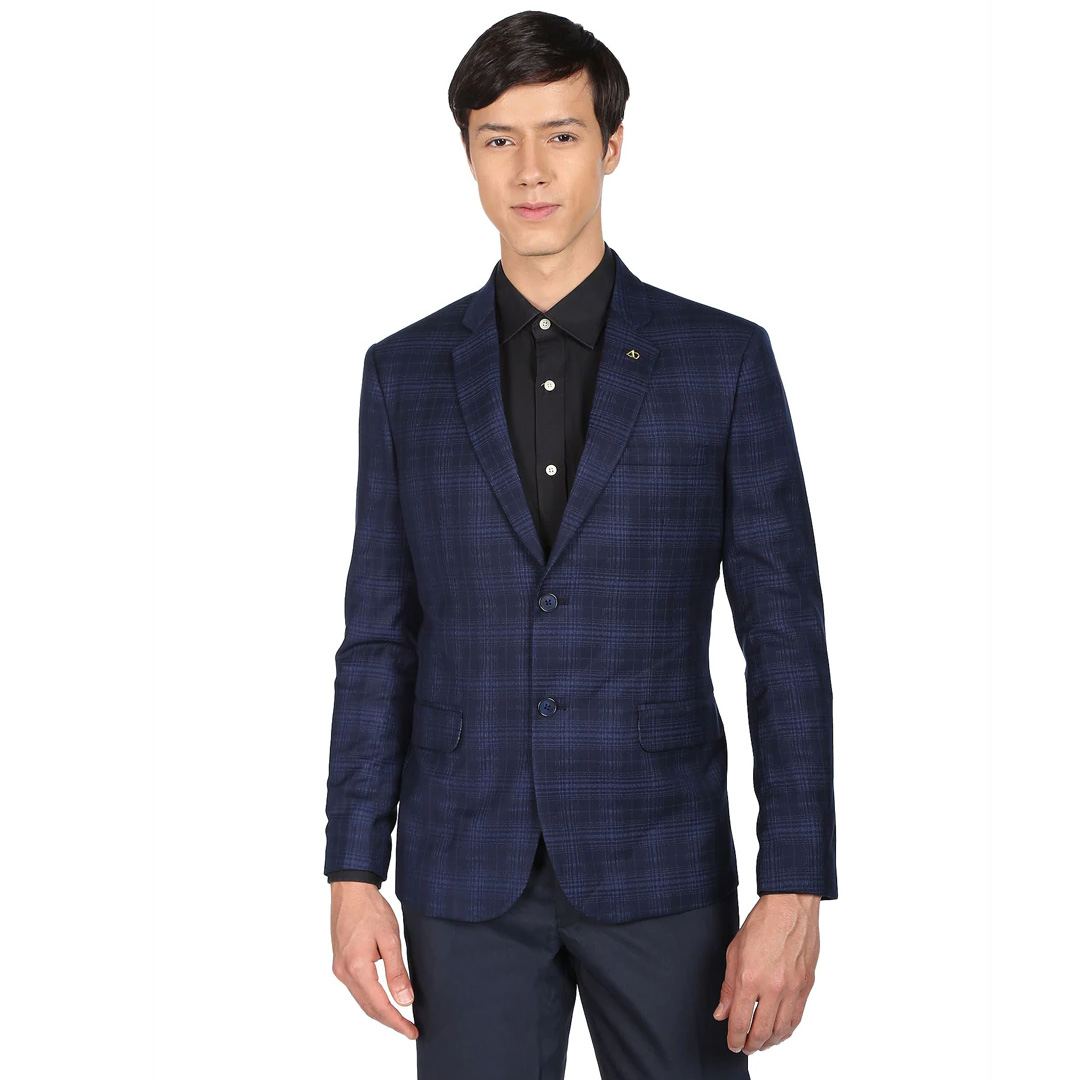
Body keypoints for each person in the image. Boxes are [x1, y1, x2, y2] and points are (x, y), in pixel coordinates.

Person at [325, 11, 837, 1078]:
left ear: (612, 144)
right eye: (498, 139)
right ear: (467, 153)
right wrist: (351, 870)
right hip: (464, 866)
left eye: (560, 134)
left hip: (662, 858)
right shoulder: (403, 374)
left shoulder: (722, 363)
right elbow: (378, 637)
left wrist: (794, 884)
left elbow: (784, 640)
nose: (529, 169)